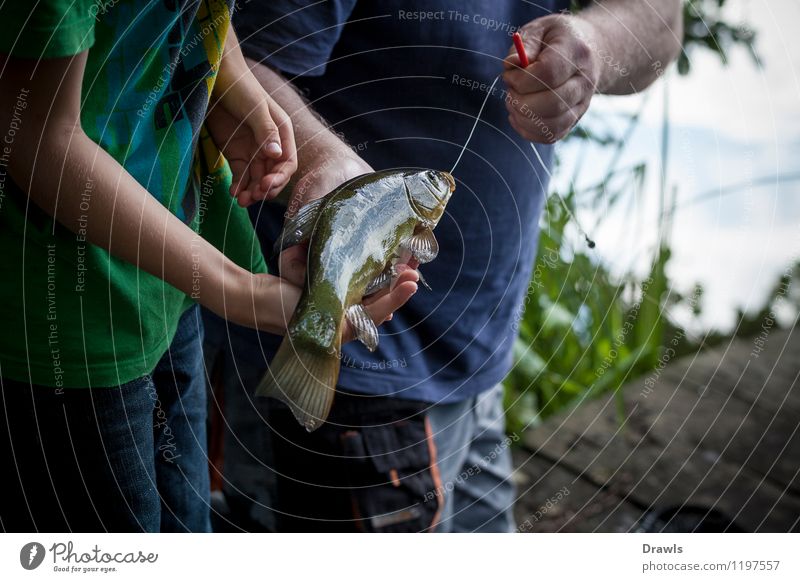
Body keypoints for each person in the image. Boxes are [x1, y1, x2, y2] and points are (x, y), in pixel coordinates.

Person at [204, 0, 683, 532]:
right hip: (361, 378)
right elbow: (222, 64)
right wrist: (320, 160)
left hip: (478, 366)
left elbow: (661, 19)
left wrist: (591, 47)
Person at [0, 0, 416, 532]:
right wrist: (239, 291)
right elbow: (36, 138)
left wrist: (233, 85)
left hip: (168, 289)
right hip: (69, 326)